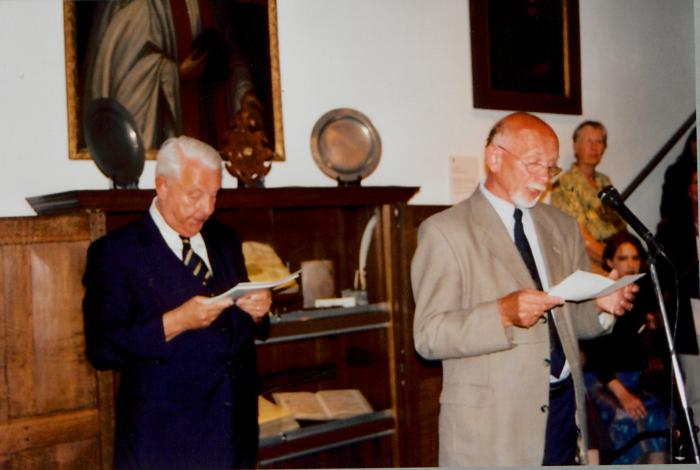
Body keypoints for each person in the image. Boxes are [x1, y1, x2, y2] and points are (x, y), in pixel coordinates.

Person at [412, 112, 637, 466]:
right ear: (494, 157)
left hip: (565, 410)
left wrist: (600, 306)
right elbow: (428, 336)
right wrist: (501, 313)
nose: (543, 178)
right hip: (495, 425)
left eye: (550, 168)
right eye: (533, 164)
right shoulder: (445, 232)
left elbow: (569, 322)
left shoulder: (562, 226)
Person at [82, 136, 272, 469]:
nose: (207, 209)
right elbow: (102, 348)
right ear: (162, 186)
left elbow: (239, 334)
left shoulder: (225, 239)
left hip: (235, 434)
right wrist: (177, 322)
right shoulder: (116, 252)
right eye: (195, 195)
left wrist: (259, 311)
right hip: (165, 440)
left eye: (214, 196)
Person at [83, 0, 264, 150]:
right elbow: (127, 74)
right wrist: (177, 74)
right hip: (169, 137)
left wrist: (244, 94)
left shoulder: (211, 5)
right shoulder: (141, 7)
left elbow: (231, 55)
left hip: (207, 128)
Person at [581, 231, 670, 464]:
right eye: (623, 258)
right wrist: (622, 394)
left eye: (635, 258)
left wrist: (654, 330)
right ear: (609, 262)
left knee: (661, 417)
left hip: (637, 380)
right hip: (603, 380)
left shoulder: (648, 294)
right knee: (624, 419)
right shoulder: (599, 296)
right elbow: (593, 355)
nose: (631, 265)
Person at [550, 120, 626, 271]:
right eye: (588, 141)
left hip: (614, 255)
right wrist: (614, 261)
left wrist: (626, 256)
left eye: (599, 141)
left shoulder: (604, 181)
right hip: (588, 260)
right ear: (575, 147)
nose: (594, 147)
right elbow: (580, 237)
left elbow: (620, 224)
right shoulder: (565, 183)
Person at [657, 169, 700, 428]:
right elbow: (667, 278)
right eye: (697, 182)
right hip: (691, 316)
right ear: (690, 190)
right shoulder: (672, 230)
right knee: (696, 391)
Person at [660, 128, 696, 224]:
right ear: (690, 142)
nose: (697, 146)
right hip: (682, 225)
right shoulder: (675, 171)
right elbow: (666, 208)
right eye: (695, 141)